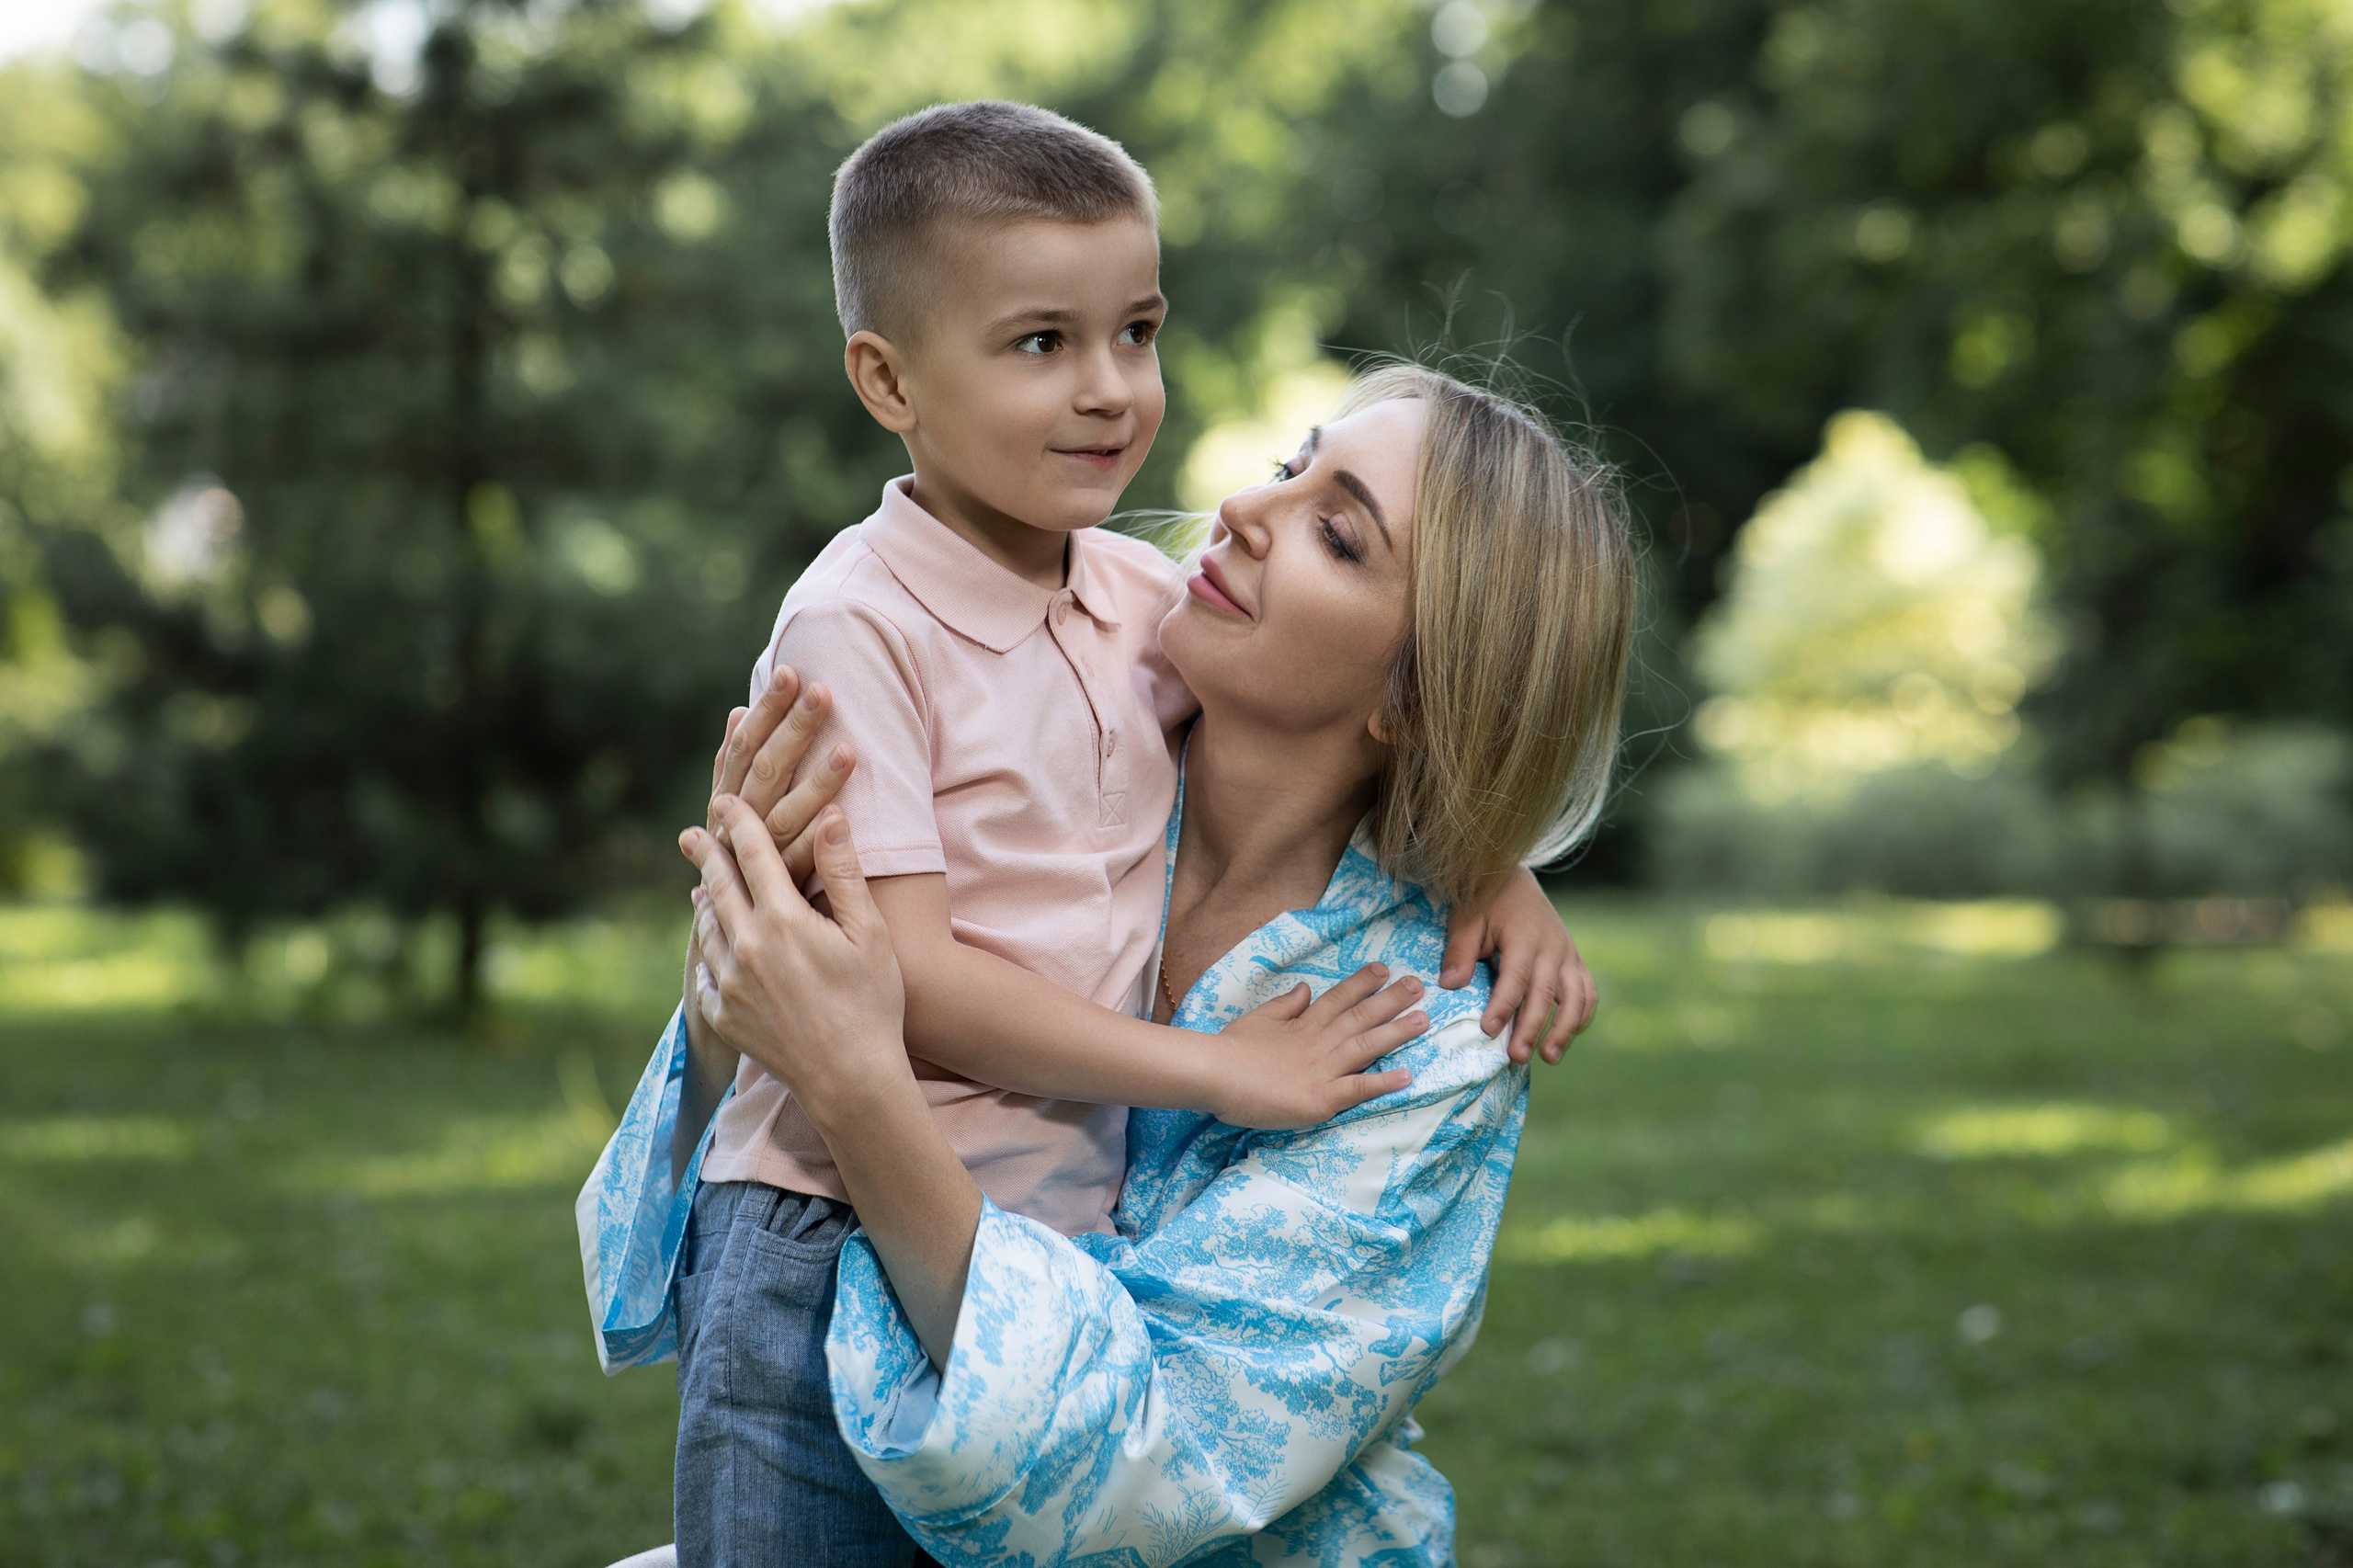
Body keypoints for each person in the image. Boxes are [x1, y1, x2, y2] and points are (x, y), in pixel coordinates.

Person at [578, 103, 1592, 1567]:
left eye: (1339, 528)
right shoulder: (948, 646)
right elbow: (874, 981)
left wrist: (1494, 859)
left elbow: (1158, 1473)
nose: (1242, 502)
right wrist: (1221, 1069)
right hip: (815, 1266)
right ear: (889, 378)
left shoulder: (1415, 1005)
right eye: (1296, 461)